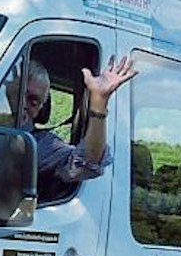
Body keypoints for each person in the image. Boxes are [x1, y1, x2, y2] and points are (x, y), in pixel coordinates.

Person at [14, 53, 138, 202]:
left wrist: (99, 101)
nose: (23, 104)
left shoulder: (38, 145)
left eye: (33, 102)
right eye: (20, 93)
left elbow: (87, 163)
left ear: (40, 110)